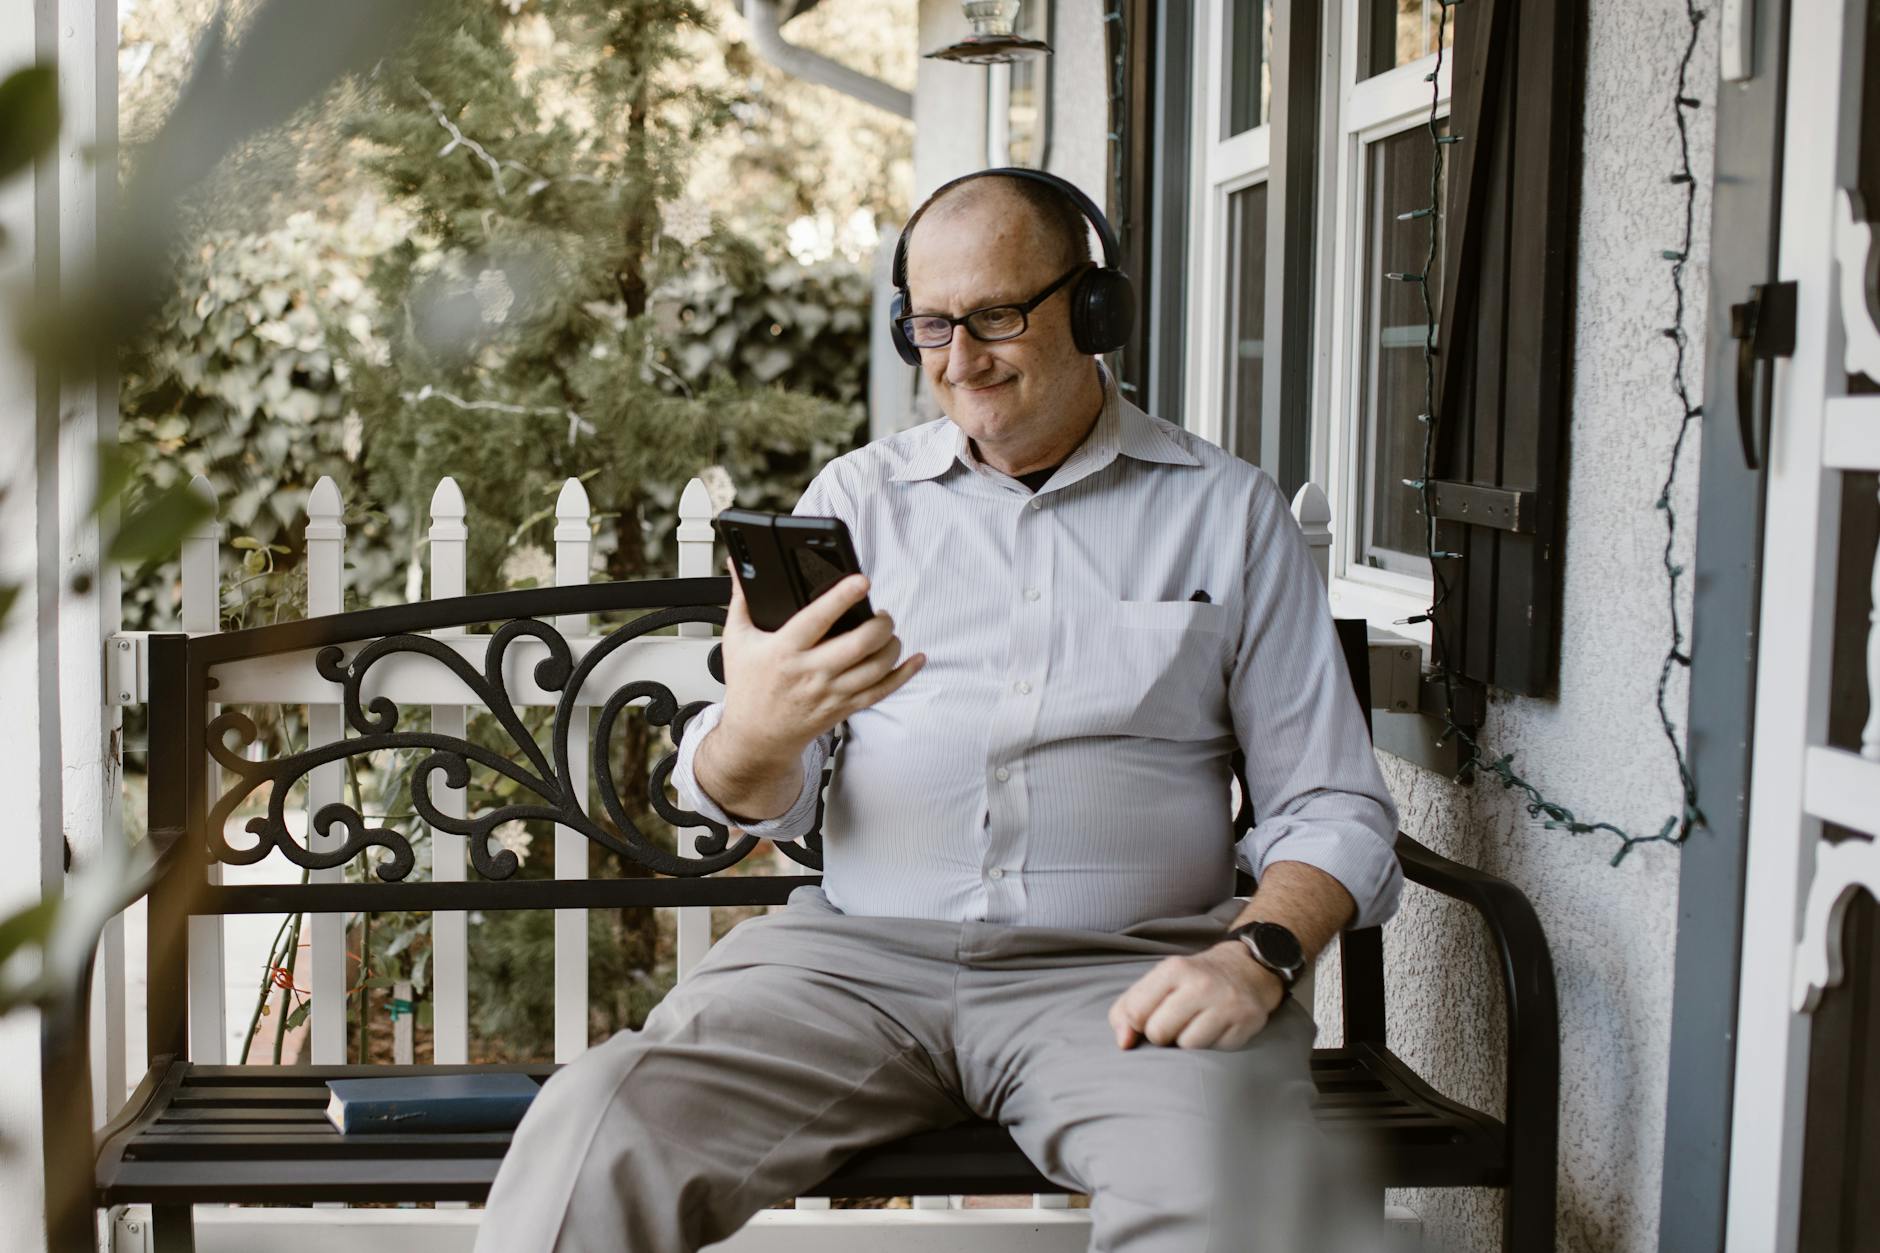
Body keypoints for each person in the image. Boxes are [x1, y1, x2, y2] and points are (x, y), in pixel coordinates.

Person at [474, 168, 1402, 1253]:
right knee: (600, 1122)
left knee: (1231, 1200)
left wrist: (1256, 957)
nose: (959, 361)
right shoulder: (854, 504)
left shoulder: (1226, 512)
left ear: (1094, 310)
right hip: (852, 966)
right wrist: (759, 728)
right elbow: (746, 799)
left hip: (1124, 977)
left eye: (996, 316)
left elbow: (1330, 801)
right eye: (929, 325)